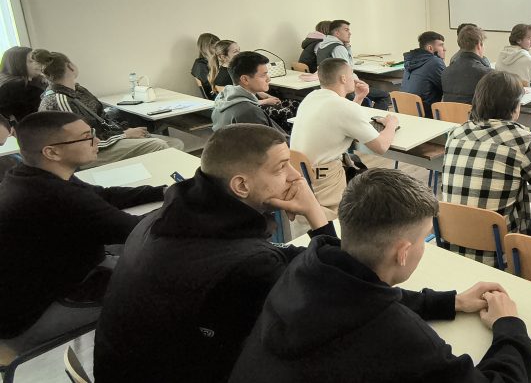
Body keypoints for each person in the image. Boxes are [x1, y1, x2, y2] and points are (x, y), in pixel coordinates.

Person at [228, 168, 531, 383]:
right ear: (403, 252)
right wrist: (509, 325)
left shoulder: (305, 266)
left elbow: (359, 297)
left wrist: (452, 302)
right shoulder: (400, 335)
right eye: (423, 238)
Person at [93, 124, 336, 383]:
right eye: (281, 167)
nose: (295, 177)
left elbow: (271, 257)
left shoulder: (162, 218)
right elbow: (336, 291)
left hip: (119, 368)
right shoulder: (250, 265)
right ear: (241, 185)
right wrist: (315, 213)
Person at [0, 112, 163, 351]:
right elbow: (136, 230)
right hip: (31, 321)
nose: (96, 141)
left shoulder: (30, 175)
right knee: (162, 288)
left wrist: (163, 191)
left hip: (57, 279)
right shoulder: (55, 196)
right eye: (87, 137)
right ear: (52, 152)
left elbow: (102, 195)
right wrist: (181, 204)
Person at [440, 71, 531, 266]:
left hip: (451, 246)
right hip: (500, 256)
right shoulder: (520, 138)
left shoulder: (456, 133)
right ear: (513, 107)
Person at [33, 50, 184, 168]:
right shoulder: (60, 101)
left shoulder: (78, 90)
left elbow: (101, 118)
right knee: (159, 145)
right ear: (70, 66)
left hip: (107, 139)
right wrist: (124, 135)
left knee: (175, 144)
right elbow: (83, 141)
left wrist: (124, 131)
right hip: (87, 152)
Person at [290, 58, 398, 217]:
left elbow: (343, 116)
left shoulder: (312, 97)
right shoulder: (343, 107)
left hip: (303, 174)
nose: (355, 77)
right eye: (352, 73)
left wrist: (359, 97)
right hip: (325, 180)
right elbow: (381, 147)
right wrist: (391, 124)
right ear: (343, 78)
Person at [315, 19, 390, 110]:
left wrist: (347, 46)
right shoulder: (338, 48)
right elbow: (347, 71)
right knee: (384, 96)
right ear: (337, 33)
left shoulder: (322, 46)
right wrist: (360, 84)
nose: (350, 33)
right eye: (346, 30)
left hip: (330, 88)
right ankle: (375, 117)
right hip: (344, 89)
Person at [212, 51, 287, 134]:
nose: (268, 79)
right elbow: (274, 141)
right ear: (245, 79)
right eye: (263, 75)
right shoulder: (249, 111)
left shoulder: (222, 101)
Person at [441, 25, 491, 104]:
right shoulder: (487, 75)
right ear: (479, 45)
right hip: (474, 112)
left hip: (449, 112)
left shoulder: (445, 72)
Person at [400, 31, 446, 114]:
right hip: (425, 113)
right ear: (430, 48)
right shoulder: (435, 62)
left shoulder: (411, 60)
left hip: (406, 110)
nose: (445, 49)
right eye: (441, 45)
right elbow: (447, 88)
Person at [0, 46, 47, 122]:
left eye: (36, 60)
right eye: (30, 61)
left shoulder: (8, 83)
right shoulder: (17, 87)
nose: (37, 63)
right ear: (18, 65)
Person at [191, 32, 220, 99]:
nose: (218, 50)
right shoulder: (200, 64)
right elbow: (211, 86)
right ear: (206, 48)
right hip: (216, 98)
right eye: (215, 47)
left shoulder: (216, 62)